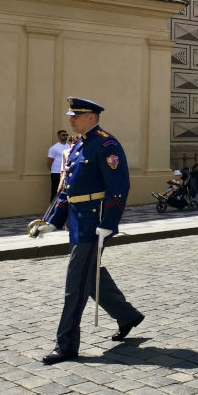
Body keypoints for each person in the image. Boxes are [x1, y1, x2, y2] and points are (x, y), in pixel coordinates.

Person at [36, 97, 144, 365]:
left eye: (77, 115)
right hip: (76, 223)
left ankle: (66, 344)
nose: (71, 119)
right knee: (90, 274)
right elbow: (68, 190)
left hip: (93, 225)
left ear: (92, 117)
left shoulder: (107, 144)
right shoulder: (77, 146)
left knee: (75, 284)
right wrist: (53, 220)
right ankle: (127, 315)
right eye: (71, 115)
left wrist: (109, 222)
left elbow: (119, 186)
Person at [46, 130, 71, 202]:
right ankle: (53, 210)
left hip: (65, 173)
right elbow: (49, 161)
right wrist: (53, 170)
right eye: (63, 135)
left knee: (65, 192)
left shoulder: (69, 146)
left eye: (66, 135)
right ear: (59, 136)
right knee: (55, 192)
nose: (65, 136)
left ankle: (61, 210)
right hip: (56, 173)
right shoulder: (54, 148)